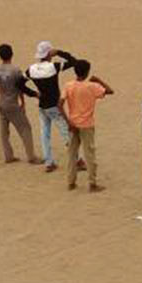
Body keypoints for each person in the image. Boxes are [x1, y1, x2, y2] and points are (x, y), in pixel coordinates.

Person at [0, 43, 41, 165]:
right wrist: (23, 103)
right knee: (25, 129)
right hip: (12, 103)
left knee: (4, 131)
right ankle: (31, 157)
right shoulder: (16, 70)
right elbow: (20, 88)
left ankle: (8, 156)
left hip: (1, 102)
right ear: (11, 54)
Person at [23, 42, 76, 174]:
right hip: (54, 106)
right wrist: (59, 52)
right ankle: (78, 160)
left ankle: (49, 162)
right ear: (49, 53)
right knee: (66, 133)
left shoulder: (31, 69)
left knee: (44, 135)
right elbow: (74, 61)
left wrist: (33, 94)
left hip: (42, 105)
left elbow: (19, 83)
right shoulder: (53, 67)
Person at [60, 58, 112, 188]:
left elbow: (59, 105)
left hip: (73, 123)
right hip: (87, 124)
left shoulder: (68, 85)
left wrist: (68, 122)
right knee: (89, 154)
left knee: (72, 154)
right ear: (87, 72)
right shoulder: (92, 86)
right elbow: (110, 91)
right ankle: (92, 183)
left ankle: (71, 182)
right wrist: (98, 80)